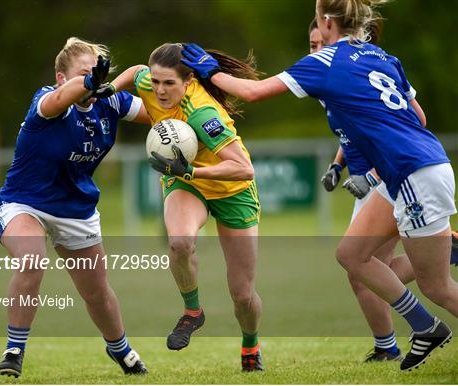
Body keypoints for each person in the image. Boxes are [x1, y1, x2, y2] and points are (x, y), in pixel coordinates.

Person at [181, 0, 457, 372]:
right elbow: (419, 117)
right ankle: (425, 326)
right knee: (351, 255)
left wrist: (210, 71)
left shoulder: (324, 62)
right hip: (416, 167)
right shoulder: (379, 54)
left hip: (412, 174)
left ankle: (426, 324)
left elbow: (252, 92)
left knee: (437, 286)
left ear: (326, 21)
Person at [0, 37, 149, 378]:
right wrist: (87, 83)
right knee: (32, 259)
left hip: (76, 208)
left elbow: (157, 111)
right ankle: (14, 349)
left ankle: (120, 349)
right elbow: (60, 100)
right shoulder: (48, 100)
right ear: (62, 78)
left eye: (97, 72)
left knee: (96, 293)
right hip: (24, 202)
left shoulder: (110, 102)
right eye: (83, 73)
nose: (93, 78)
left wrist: (175, 92)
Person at [100, 43, 263, 371]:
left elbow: (244, 169)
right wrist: (110, 89)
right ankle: (193, 312)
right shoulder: (150, 81)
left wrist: (191, 170)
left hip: (232, 189)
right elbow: (135, 72)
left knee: (242, 295)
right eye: (156, 82)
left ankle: (250, 344)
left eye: (169, 83)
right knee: (179, 242)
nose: (159, 90)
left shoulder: (203, 113)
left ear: (188, 82)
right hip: (186, 182)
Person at [311, 19, 458, 362]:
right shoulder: (331, 81)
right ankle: (392, 342)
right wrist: (337, 164)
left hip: (392, 180)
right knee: (359, 264)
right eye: (312, 45)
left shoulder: (358, 73)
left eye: (322, 43)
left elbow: (411, 123)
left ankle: (395, 341)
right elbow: (351, 135)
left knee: (382, 271)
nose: (317, 51)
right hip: (378, 184)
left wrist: (374, 174)